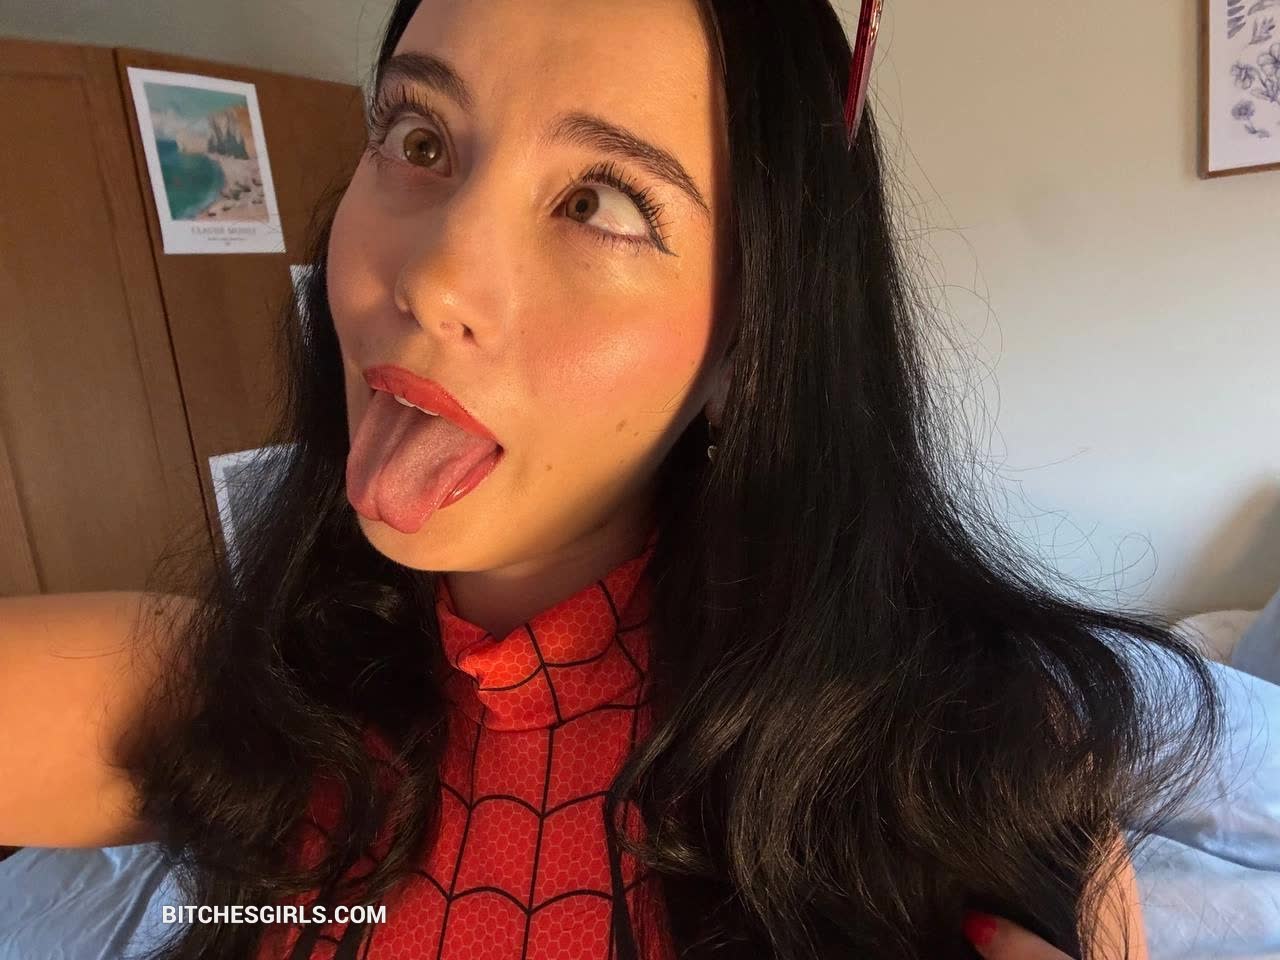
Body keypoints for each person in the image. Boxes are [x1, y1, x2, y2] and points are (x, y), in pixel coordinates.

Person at [0, 0, 1222, 957]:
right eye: (419, 139)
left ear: (755, 337)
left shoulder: (975, 776)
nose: (429, 277)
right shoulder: (223, 693)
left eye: (598, 201)